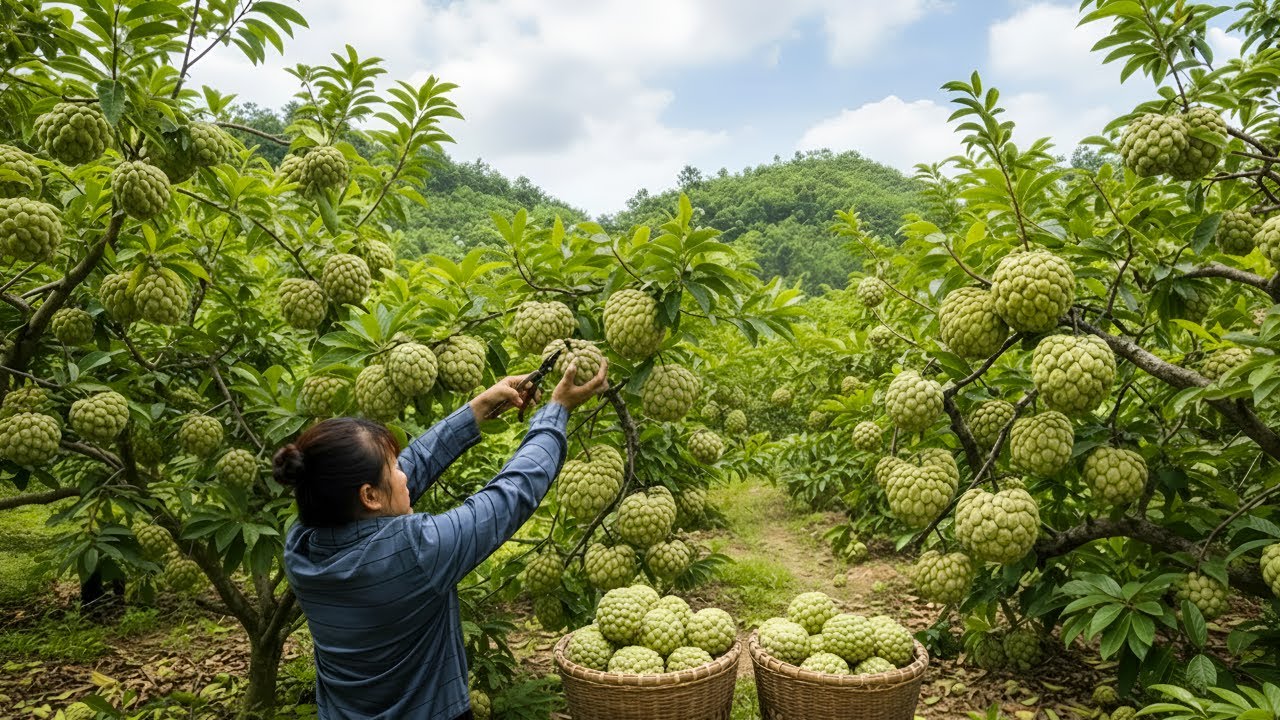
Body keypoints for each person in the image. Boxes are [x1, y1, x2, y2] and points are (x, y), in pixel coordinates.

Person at [276, 359, 609, 720]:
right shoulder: (418, 552)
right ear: (369, 495)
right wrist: (556, 411)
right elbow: (511, 494)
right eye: (393, 469)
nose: (404, 475)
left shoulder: (301, 545)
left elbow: (407, 471)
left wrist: (477, 409)